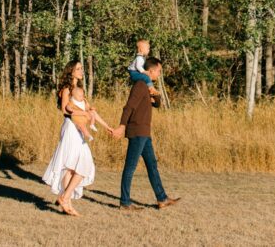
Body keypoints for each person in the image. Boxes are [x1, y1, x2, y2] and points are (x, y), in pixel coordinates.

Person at [111, 56, 180, 211]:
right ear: (150, 70)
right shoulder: (140, 86)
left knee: (152, 165)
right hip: (137, 131)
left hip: (144, 132)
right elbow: (128, 107)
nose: (159, 75)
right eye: (158, 71)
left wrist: (155, 93)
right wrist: (122, 126)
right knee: (130, 167)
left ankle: (162, 198)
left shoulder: (146, 87)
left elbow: (157, 104)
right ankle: (125, 202)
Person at [41, 60, 97, 217]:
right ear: (71, 72)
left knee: (74, 166)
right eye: (78, 69)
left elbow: (87, 110)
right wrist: (83, 113)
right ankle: (66, 198)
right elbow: (65, 109)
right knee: (80, 164)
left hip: (78, 129)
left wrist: (103, 124)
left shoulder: (79, 89)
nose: (81, 71)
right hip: (71, 128)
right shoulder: (66, 89)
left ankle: (66, 200)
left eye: (81, 68)